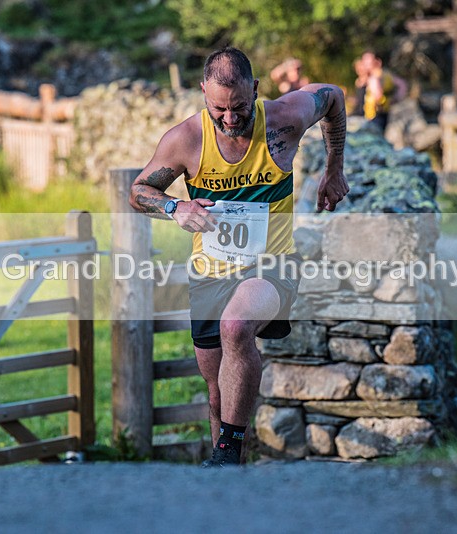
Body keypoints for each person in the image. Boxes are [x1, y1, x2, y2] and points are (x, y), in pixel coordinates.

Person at [129, 46, 349, 467]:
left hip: (271, 267)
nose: (230, 118)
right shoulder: (186, 140)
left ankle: (226, 454)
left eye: (240, 108)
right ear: (203, 94)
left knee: (235, 326)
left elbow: (334, 96)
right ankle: (227, 482)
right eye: (219, 109)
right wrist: (177, 207)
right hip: (211, 274)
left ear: (256, 90)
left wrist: (334, 168)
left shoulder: (285, 118)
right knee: (216, 393)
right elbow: (139, 192)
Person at [352, 51, 408, 134]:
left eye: (368, 62)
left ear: (377, 62)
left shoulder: (375, 78)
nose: (366, 65)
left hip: (375, 117)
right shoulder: (382, 75)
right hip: (380, 115)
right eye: (365, 62)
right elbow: (402, 84)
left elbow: (378, 96)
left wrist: (393, 99)